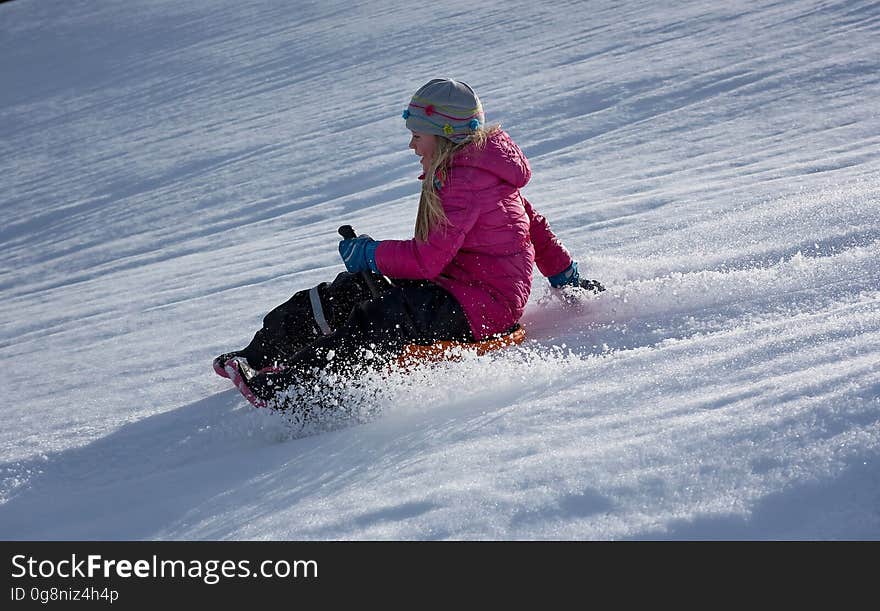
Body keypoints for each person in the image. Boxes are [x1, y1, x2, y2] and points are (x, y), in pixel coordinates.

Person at [214, 78, 603, 411]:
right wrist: (565, 276)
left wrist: (369, 254)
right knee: (350, 291)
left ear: (446, 136)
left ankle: (295, 390)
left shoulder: (464, 183)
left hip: (482, 307)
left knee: (384, 316)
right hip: (458, 288)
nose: (413, 146)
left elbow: (426, 261)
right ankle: (258, 357)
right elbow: (536, 228)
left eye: (418, 136)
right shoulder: (480, 172)